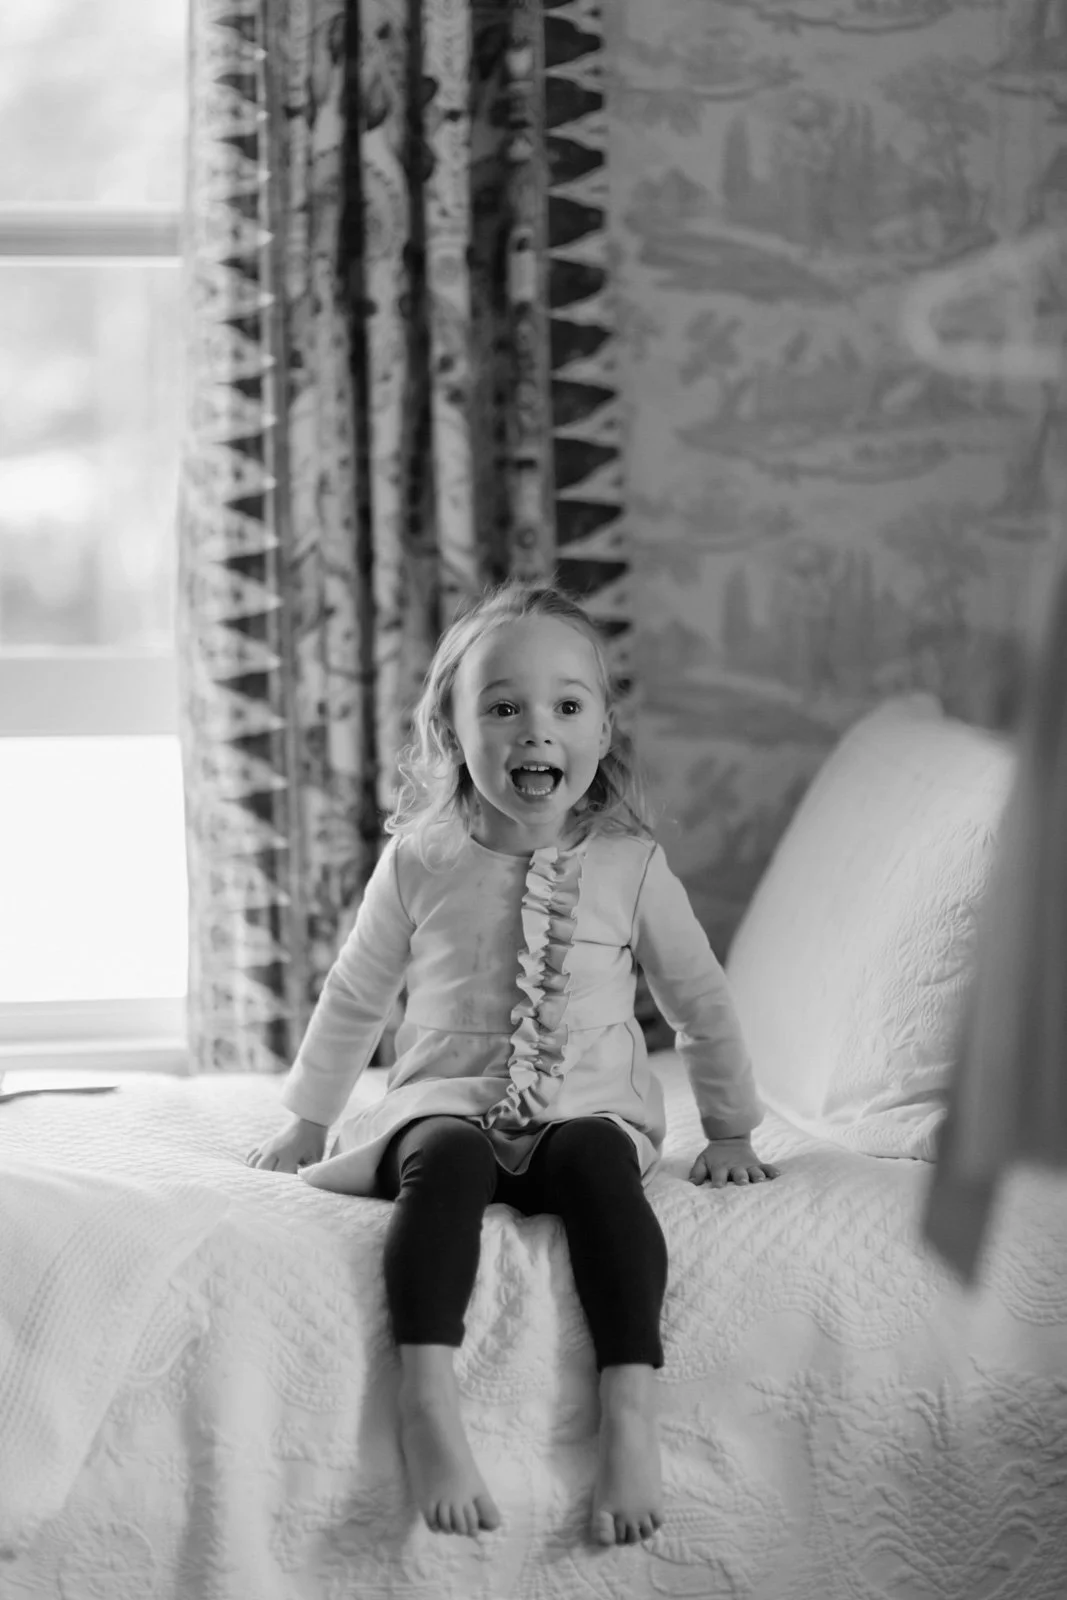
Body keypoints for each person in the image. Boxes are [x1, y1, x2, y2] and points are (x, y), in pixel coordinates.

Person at [247, 578, 779, 1546]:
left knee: (596, 1173)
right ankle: (424, 1396)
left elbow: (695, 1001)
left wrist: (730, 1126)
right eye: (501, 707)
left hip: (586, 1106)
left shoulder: (630, 864)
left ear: (602, 730)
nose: (535, 729)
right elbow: (357, 991)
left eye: (565, 706)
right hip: (448, 1100)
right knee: (440, 1160)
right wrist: (310, 1117)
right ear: (453, 733)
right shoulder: (420, 857)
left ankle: (628, 1407)